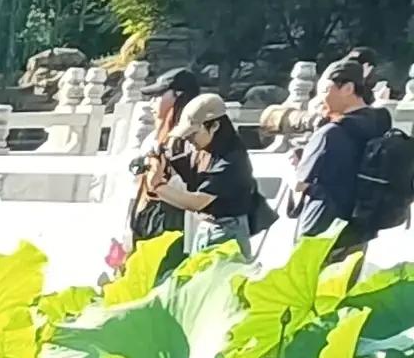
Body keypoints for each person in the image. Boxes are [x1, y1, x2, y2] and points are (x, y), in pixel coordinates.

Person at [284, 52, 411, 258]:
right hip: (359, 229)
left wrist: (294, 168)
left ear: (348, 89)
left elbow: (300, 184)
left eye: (325, 90)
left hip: (322, 229)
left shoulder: (330, 133)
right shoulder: (381, 123)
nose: (321, 99)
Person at [149, 95, 264, 251]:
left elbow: (197, 202)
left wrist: (157, 186)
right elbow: (176, 165)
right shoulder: (203, 150)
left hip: (227, 232)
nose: (188, 140)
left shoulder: (231, 160)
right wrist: (157, 159)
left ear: (214, 126)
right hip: (206, 227)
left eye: (192, 134)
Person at [125, 68, 198, 243]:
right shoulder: (153, 138)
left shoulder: (192, 139)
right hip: (148, 213)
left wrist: (160, 177)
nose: (152, 102)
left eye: (158, 96)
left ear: (179, 96)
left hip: (175, 217)